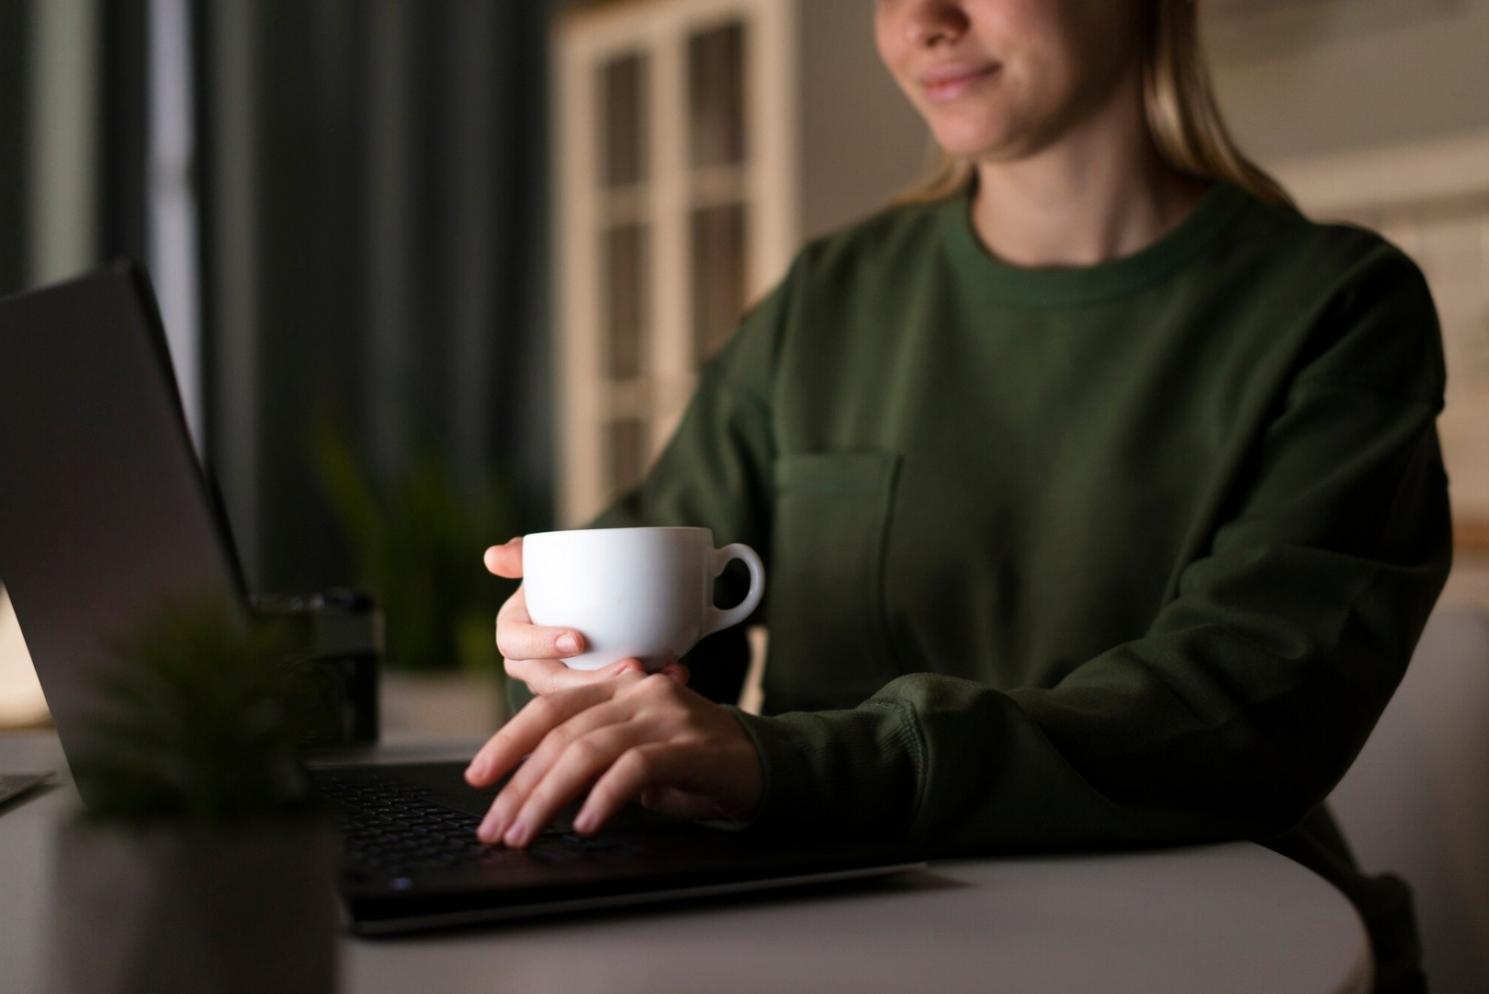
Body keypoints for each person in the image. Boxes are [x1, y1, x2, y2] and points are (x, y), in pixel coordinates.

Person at [466, 2, 1450, 990]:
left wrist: (799, 765)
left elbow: (1235, 716)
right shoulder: (826, 299)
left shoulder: (1337, 311)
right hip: (826, 941)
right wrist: (568, 659)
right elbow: (657, 620)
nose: (921, 22)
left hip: (1221, 944)